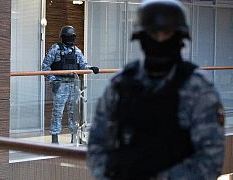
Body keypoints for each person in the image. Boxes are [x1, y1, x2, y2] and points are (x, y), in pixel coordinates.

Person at [87, 0, 225, 179]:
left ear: (179, 38)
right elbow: (97, 145)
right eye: (153, 33)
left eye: (166, 33)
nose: (159, 39)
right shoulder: (120, 86)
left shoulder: (198, 89)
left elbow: (210, 160)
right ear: (142, 37)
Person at [42, 25, 99, 144]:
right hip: (60, 85)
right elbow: (45, 67)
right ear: (63, 37)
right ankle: (55, 139)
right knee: (57, 112)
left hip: (74, 84)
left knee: (74, 113)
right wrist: (53, 79)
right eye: (68, 37)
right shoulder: (55, 49)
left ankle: (74, 137)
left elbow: (83, 65)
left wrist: (91, 68)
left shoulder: (76, 50)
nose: (70, 39)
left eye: (71, 37)